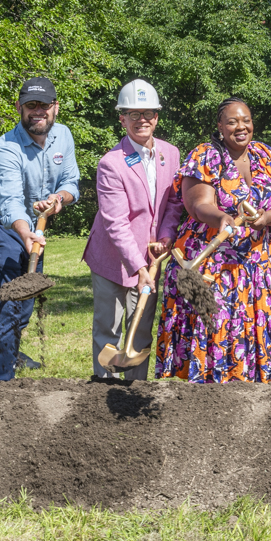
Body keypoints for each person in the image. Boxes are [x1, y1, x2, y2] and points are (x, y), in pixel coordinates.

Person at [155, 97, 271, 383]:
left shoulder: (267, 156)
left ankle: (258, 396)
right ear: (220, 126)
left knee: (261, 329)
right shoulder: (205, 155)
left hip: (262, 264)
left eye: (245, 120)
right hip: (214, 263)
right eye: (232, 121)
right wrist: (219, 218)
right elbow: (197, 203)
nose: (240, 127)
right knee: (217, 327)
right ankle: (211, 397)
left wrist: (266, 217)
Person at [0, 77, 79, 382]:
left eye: (44, 105)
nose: (38, 111)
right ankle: (1, 380)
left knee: (26, 301)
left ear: (55, 107)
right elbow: (10, 204)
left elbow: (71, 182)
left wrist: (59, 199)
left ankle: (8, 355)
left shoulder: (63, 136)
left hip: (33, 225)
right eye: (31, 105)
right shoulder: (5, 148)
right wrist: (26, 234)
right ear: (19, 107)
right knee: (5, 303)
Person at [82, 80, 183, 380]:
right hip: (111, 260)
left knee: (140, 331)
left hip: (150, 256)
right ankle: (104, 389)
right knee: (108, 329)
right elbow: (115, 222)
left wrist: (165, 238)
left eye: (148, 113)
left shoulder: (171, 153)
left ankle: (134, 391)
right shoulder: (111, 163)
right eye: (133, 113)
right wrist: (139, 268)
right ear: (122, 118)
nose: (142, 120)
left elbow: (174, 202)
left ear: (157, 116)